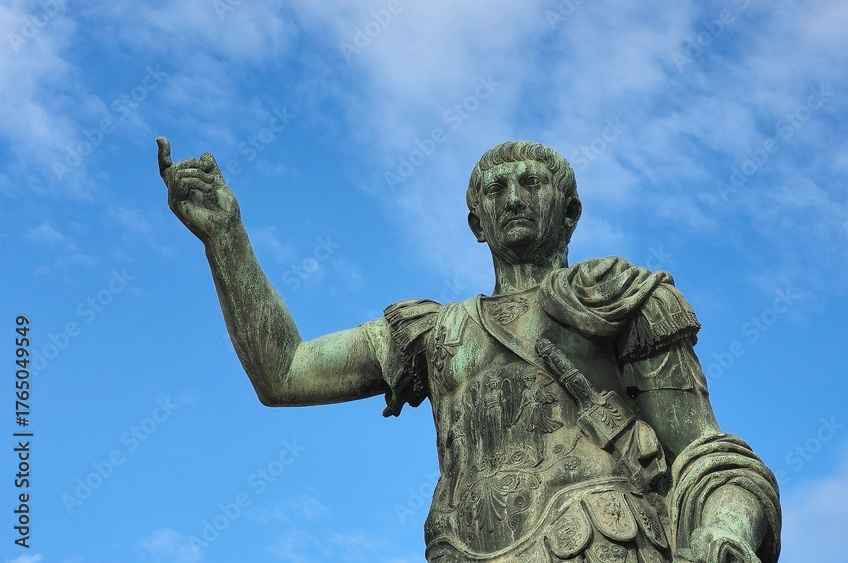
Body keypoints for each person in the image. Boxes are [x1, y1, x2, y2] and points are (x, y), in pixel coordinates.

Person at [156, 138, 781, 562]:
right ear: (476, 222)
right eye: (496, 188)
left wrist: (725, 530)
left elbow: (706, 453)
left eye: (531, 183)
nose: (513, 197)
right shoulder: (432, 331)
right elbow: (286, 372)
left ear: (569, 214)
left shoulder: (619, 297)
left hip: (603, 542)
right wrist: (225, 237)